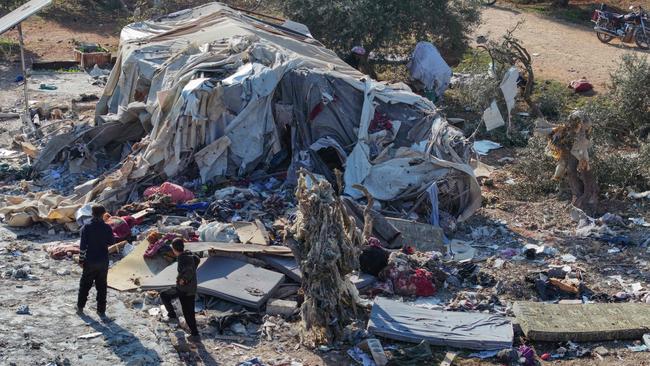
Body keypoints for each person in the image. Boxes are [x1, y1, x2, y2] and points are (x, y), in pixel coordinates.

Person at [77, 205, 114, 319]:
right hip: (103, 261)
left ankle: (80, 307)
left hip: (90, 260)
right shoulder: (107, 228)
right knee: (102, 286)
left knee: (85, 285)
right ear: (104, 214)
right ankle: (101, 311)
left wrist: (81, 260)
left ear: (92, 213)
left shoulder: (86, 228)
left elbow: (83, 246)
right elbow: (111, 242)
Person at [160, 238, 201, 341]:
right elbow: (197, 259)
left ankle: (195, 334)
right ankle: (173, 315)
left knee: (188, 312)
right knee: (165, 295)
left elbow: (188, 271)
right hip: (186, 288)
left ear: (174, 249)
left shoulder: (184, 259)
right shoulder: (187, 256)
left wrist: (184, 280)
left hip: (185, 290)